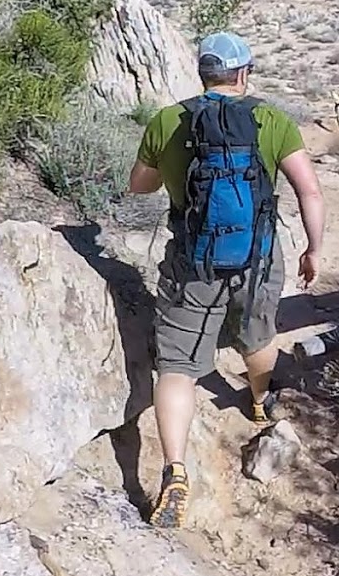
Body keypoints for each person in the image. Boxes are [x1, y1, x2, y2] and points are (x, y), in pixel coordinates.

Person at [127, 31, 325, 529]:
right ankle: (258, 403)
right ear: (243, 73)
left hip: (192, 261)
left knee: (176, 365)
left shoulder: (170, 121)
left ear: (202, 74)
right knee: (257, 334)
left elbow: (138, 185)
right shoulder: (272, 120)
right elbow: (310, 191)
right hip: (256, 260)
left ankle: (174, 470)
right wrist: (313, 248)